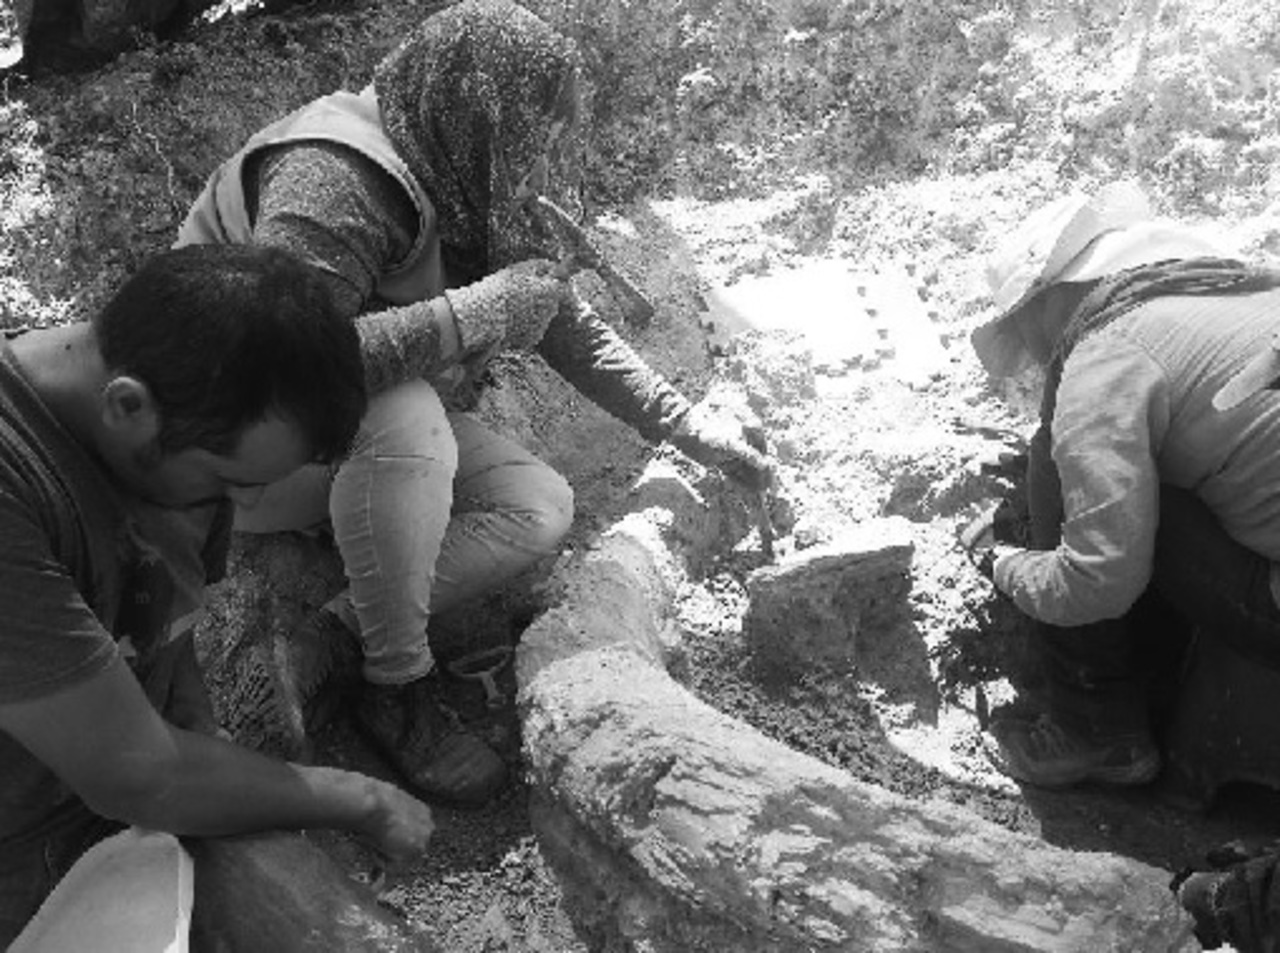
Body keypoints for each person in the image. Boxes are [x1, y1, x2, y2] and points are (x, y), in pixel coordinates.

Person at [175, 0, 772, 807]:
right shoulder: (335, 179)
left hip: (331, 437)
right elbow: (284, 368)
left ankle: (336, 636)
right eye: (531, 133)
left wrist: (689, 429)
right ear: (479, 106)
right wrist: (475, 312)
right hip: (230, 447)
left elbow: (557, 319)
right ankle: (396, 685)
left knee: (539, 507)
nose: (537, 160)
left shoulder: (455, 163)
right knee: (407, 420)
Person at [0, 243, 458, 946]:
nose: (239, 505)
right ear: (127, 405)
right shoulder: (20, 483)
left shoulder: (183, 426)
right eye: (227, 482)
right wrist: (357, 799)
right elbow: (136, 775)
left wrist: (199, 731)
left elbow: (168, 624)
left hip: (114, 803)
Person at [958, 179, 1280, 789]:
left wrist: (1006, 564)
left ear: (1045, 302)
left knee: (1060, 465)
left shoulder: (1108, 357)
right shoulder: (1246, 296)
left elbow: (1098, 580)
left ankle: (1094, 732)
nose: (1036, 355)